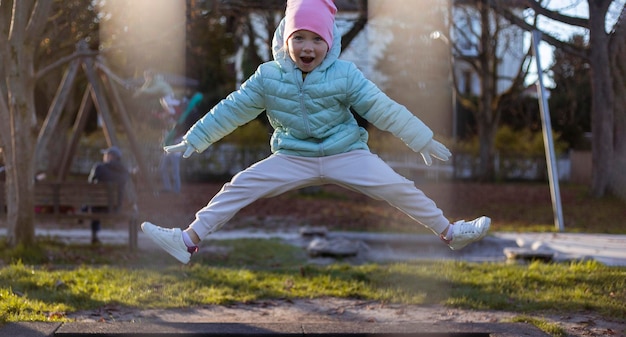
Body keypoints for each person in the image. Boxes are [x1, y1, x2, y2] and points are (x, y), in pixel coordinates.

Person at [141, 0, 491, 264]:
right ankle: (186, 241)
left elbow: (381, 107)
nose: (307, 48)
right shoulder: (268, 77)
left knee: (398, 186)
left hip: (346, 153)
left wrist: (421, 138)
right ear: (286, 40)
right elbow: (232, 108)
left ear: (330, 42)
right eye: (299, 38)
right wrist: (196, 138)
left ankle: (450, 232)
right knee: (239, 186)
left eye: (316, 40)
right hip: (293, 155)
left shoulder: (345, 74)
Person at [87, 146, 130, 244]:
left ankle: (95, 235)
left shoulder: (99, 168)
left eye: (106, 155)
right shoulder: (124, 172)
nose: (104, 157)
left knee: (94, 203)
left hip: (99, 206)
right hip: (115, 207)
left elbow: (90, 183)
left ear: (111, 156)